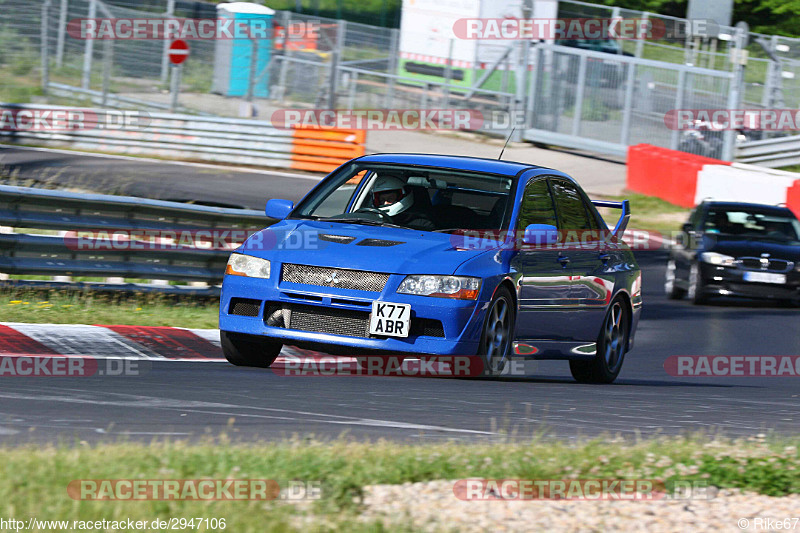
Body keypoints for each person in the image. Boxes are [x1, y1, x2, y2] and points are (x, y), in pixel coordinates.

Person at [370, 174, 435, 230]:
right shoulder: (371, 220)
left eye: (390, 199)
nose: (385, 203)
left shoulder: (422, 224)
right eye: (382, 200)